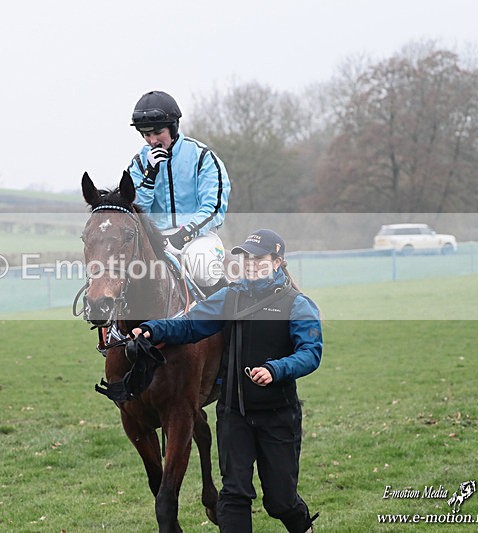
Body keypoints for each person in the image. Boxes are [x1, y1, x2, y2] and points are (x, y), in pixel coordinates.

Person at [130, 229, 322, 533]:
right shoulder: (230, 297)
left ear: (276, 262)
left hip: (277, 416)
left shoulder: (297, 304)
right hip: (234, 414)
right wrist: (152, 330)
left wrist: (276, 369)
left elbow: (311, 353)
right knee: (233, 496)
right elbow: (190, 326)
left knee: (280, 501)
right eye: (246, 258)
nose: (251, 264)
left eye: (259, 258)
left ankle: (303, 526)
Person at [127, 90, 231, 291]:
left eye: (158, 133)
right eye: (146, 135)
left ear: (173, 128)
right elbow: (136, 211)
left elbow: (213, 207)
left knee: (203, 267)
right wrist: (149, 177)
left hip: (198, 236)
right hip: (154, 239)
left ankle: (225, 318)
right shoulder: (140, 163)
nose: (152, 141)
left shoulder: (202, 157)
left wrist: (185, 235)